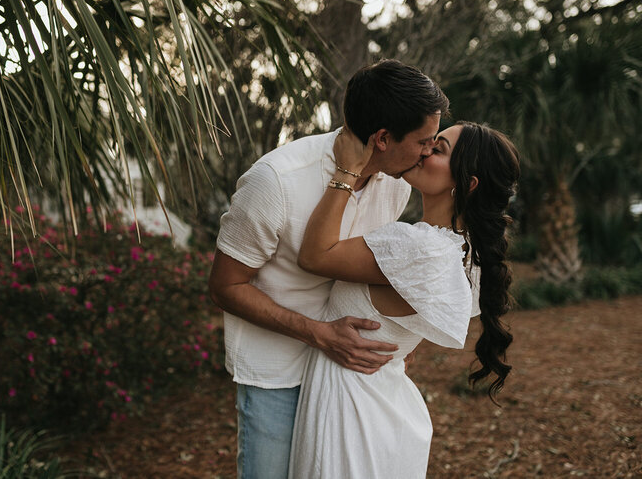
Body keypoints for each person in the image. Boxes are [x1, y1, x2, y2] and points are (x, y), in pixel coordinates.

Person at [208, 59, 449, 479]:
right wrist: (319, 333)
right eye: (425, 141)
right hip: (278, 373)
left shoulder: (395, 183)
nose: (430, 150)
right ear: (383, 138)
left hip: (352, 377)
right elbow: (225, 285)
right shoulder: (276, 181)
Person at [288, 122, 520, 478]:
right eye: (428, 142)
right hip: (386, 405)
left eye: (437, 149)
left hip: (351, 410)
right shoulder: (466, 252)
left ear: (467, 183)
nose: (424, 151)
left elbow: (315, 256)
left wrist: (346, 171)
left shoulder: (416, 247)